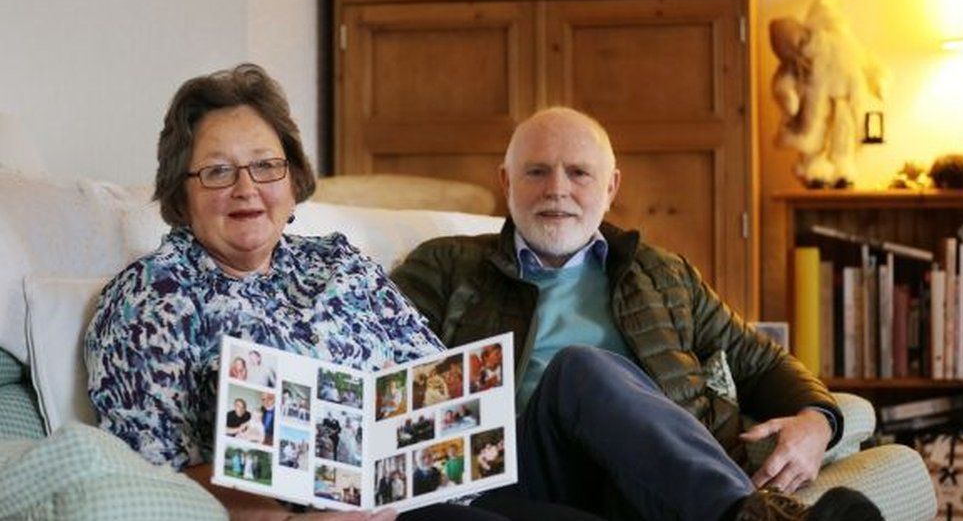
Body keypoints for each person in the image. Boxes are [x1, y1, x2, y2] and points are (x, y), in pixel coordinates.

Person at [86, 63, 550, 521]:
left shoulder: (340, 263)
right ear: (181, 194)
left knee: (578, 381)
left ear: (292, 181)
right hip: (335, 517)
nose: (246, 188)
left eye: (266, 166)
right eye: (218, 172)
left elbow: (437, 382)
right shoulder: (151, 298)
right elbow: (148, 479)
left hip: (439, 486)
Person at [391, 107, 884, 521]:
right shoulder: (446, 264)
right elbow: (385, 378)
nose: (557, 189)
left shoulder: (662, 274)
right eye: (536, 171)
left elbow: (760, 361)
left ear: (611, 187)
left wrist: (818, 421)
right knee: (578, 369)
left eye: (579, 173)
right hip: (523, 471)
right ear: (506, 181)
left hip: (649, 479)